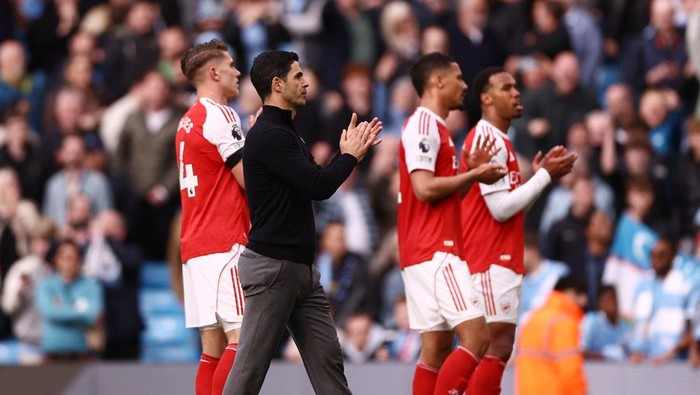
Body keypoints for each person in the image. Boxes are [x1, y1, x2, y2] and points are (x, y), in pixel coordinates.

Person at [223, 50, 381, 395]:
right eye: (297, 76)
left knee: (328, 365)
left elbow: (314, 181)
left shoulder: (284, 132)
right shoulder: (271, 135)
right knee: (248, 374)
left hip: (299, 270)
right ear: (277, 85)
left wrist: (345, 156)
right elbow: (319, 185)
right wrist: (350, 156)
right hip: (272, 268)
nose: (305, 82)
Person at [460, 66, 577, 395]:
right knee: (490, 345)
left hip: (500, 255)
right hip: (488, 255)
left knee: (498, 345)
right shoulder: (487, 139)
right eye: (506, 87)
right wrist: (545, 177)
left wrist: (538, 178)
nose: (516, 92)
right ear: (486, 98)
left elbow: (512, 205)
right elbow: (500, 210)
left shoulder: (501, 141)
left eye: (516, 86)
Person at [397, 52, 507, 395]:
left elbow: (440, 194)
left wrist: (468, 175)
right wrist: (475, 174)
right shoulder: (425, 124)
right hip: (436, 249)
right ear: (437, 82)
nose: (465, 85)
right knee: (477, 338)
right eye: (458, 78)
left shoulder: (436, 128)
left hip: (421, 250)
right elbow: (424, 188)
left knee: (437, 348)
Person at [176, 39, 249, 395]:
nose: (238, 72)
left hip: (195, 245)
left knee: (212, 349)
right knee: (242, 337)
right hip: (224, 241)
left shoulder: (187, 122)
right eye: (232, 65)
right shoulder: (221, 115)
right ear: (213, 72)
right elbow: (248, 180)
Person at [514, 275, 588, 395]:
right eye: (581, 294)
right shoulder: (564, 322)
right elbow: (570, 371)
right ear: (570, 292)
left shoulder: (532, 319)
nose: (585, 301)